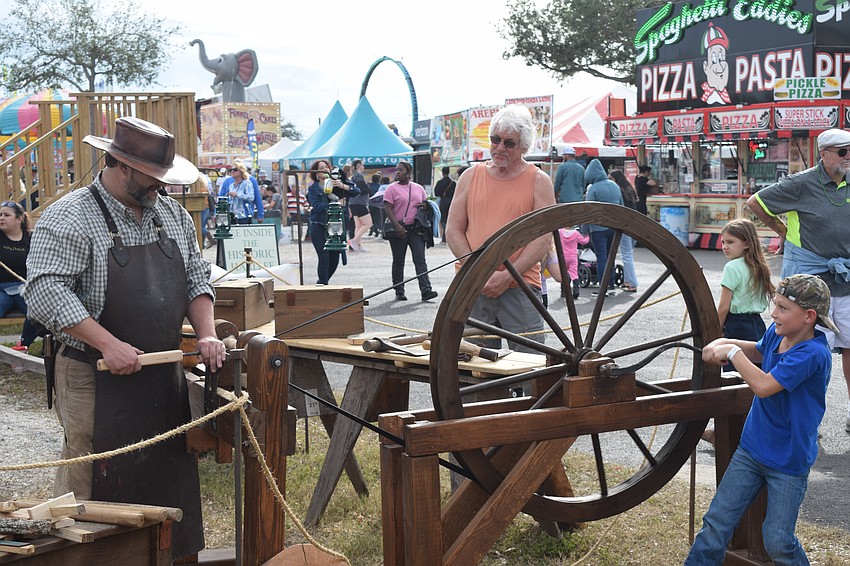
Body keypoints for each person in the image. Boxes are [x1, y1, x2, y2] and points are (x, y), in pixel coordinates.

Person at [23, 116, 226, 560]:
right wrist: (107, 343)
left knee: (163, 469)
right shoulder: (71, 216)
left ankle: (164, 554)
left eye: (163, 179)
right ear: (117, 162)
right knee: (90, 480)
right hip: (91, 374)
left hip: (161, 375)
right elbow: (43, 292)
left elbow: (196, 276)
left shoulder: (171, 213)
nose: (160, 188)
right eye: (151, 179)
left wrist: (208, 334)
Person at [685, 273, 833, 566]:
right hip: (752, 450)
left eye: (782, 308)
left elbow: (764, 386)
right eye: (775, 305)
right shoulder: (778, 333)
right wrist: (724, 341)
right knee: (716, 525)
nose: (773, 313)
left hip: (788, 461)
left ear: (808, 316)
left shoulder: (813, 354)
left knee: (778, 539)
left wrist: (732, 352)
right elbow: (758, 350)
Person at [747, 128, 850, 432]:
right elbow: (756, 203)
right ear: (824, 154)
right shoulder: (801, 183)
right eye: (843, 152)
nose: (849, 158)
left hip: (846, 282)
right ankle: (806, 421)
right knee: (806, 353)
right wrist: (783, 232)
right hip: (811, 288)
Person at [446, 105, 556, 352]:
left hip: (520, 285)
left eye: (509, 143)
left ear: (524, 146)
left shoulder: (538, 181)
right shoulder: (470, 176)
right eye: (495, 140)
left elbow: (542, 238)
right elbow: (453, 230)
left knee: (531, 367)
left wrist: (507, 276)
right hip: (473, 284)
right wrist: (479, 271)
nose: (499, 147)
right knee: (475, 369)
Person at [383, 160, 438, 302]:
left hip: (415, 229)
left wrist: (426, 206)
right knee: (398, 261)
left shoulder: (418, 188)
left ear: (408, 173)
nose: (397, 172)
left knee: (420, 260)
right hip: (399, 229)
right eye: (396, 170)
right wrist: (397, 226)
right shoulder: (391, 189)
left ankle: (426, 290)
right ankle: (399, 291)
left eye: (400, 170)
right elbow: (388, 208)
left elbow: (425, 203)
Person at [307, 159, 359, 285]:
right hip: (319, 225)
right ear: (316, 174)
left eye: (326, 167)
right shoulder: (314, 189)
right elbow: (317, 206)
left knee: (335, 258)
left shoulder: (337, 182)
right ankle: (324, 286)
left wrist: (342, 186)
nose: (324, 169)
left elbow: (356, 191)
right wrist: (335, 204)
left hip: (336, 225)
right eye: (321, 168)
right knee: (324, 257)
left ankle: (322, 282)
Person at [0, 201, 42, 352]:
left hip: (24, 287)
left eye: (6, 215)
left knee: (37, 310)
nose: (1, 218)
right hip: (1, 290)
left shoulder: (32, 238)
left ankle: (22, 346)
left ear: (19, 219)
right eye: (0, 215)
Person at [584, 159, 623, 297]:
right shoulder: (615, 186)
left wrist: (584, 230)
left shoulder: (593, 189)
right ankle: (611, 286)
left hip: (598, 228)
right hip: (614, 227)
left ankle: (602, 287)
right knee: (610, 257)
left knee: (601, 258)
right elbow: (622, 207)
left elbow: (587, 211)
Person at [609, 169, 639, 292]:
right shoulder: (629, 190)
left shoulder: (618, 191)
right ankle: (627, 281)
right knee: (629, 253)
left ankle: (632, 283)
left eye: (611, 179)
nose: (609, 182)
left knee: (626, 255)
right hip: (634, 224)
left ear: (616, 180)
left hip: (624, 225)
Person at [218, 158, 264, 223]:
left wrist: (260, 214)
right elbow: (222, 198)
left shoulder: (249, 181)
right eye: (231, 169)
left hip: (244, 215)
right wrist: (218, 213)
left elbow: (256, 197)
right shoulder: (228, 183)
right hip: (231, 215)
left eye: (235, 169)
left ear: (241, 170)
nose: (232, 171)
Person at [347, 159, 372, 252]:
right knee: (368, 224)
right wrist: (368, 189)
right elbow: (362, 188)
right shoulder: (359, 176)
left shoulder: (354, 176)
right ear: (358, 165)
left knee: (359, 225)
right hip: (359, 203)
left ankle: (358, 245)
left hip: (354, 202)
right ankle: (354, 241)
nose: (364, 166)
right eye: (363, 165)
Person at [558, 225, 589, 300]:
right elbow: (584, 241)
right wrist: (587, 236)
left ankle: (563, 291)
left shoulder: (560, 232)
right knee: (574, 274)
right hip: (572, 256)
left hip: (562, 257)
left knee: (563, 273)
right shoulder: (575, 233)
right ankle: (576, 291)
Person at [433, 166, 455, 243]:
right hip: (452, 202)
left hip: (443, 202)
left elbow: (436, 193)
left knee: (442, 219)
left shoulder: (440, 183)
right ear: (448, 172)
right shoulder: (453, 183)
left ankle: (444, 237)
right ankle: (449, 237)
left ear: (442, 173)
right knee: (450, 219)